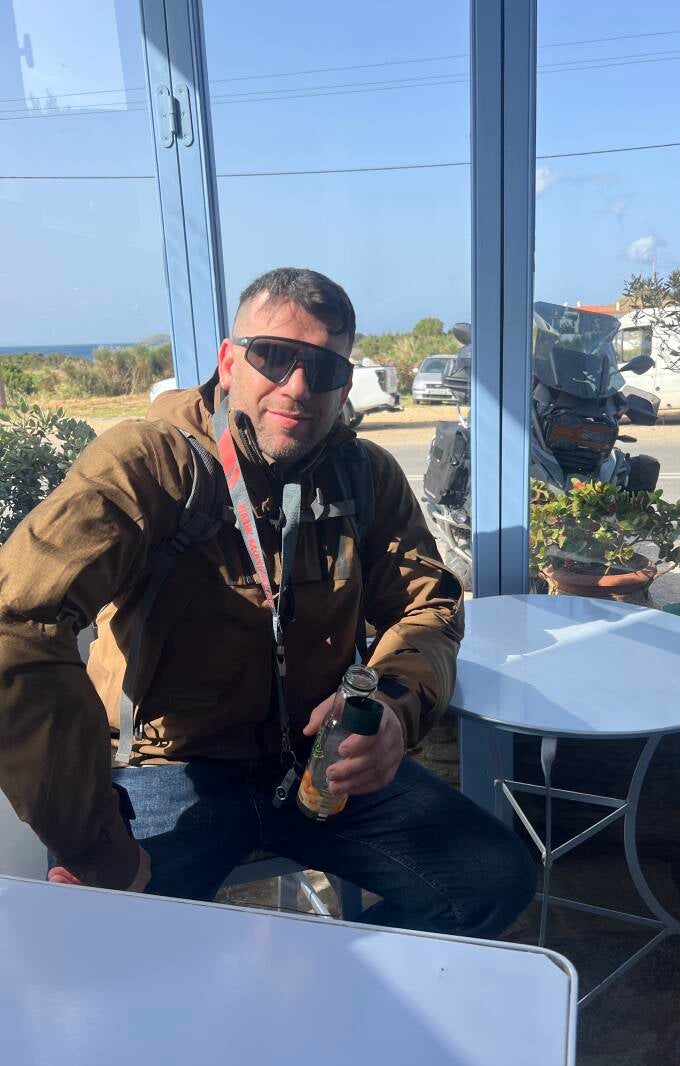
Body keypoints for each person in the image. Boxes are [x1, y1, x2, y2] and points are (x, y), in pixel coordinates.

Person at [0, 267, 536, 936]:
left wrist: (395, 707)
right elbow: (17, 622)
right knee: (96, 946)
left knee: (493, 880)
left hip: (316, 762)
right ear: (229, 362)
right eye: (274, 356)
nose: (298, 386)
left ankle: (332, 991)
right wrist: (93, 844)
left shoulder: (364, 476)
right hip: (166, 768)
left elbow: (428, 607)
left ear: (345, 385)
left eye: (325, 368)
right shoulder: (149, 464)